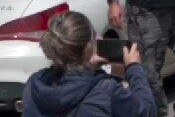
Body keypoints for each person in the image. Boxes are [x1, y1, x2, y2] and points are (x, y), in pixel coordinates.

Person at [22, 10, 156, 117]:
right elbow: (146, 111)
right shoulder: (106, 91)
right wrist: (134, 68)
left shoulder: (35, 84)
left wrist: (89, 68)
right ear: (88, 48)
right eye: (94, 37)